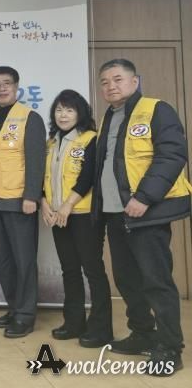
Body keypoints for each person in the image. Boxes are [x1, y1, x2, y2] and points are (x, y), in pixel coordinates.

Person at [94, 58, 190, 376]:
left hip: (145, 212)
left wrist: (144, 197)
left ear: (135, 81)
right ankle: (142, 333)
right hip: (115, 213)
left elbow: (172, 155)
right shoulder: (108, 117)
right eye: (105, 82)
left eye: (117, 79)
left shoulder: (156, 109)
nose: (111, 86)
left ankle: (169, 347)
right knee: (126, 279)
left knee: (156, 280)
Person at [40, 89, 113, 348]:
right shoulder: (51, 142)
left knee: (92, 270)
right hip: (57, 215)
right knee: (69, 270)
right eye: (59, 110)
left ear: (80, 113)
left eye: (69, 110)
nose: (63, 115)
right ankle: (73, 323)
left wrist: (67, 205)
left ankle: (101, 328)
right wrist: (44, 204)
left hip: (83, 215)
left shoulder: (90, 138)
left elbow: (88, 177)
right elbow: (42, 177)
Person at [0, 66, 46, 339]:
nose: (2, 88)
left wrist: (32, 196)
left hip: (20, 200)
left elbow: (36, 159)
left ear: (17, 86)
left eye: (7, 83)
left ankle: (26, 315)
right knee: (4, 260)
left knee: (24, 260)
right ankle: (13, 307)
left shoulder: (30, 118)